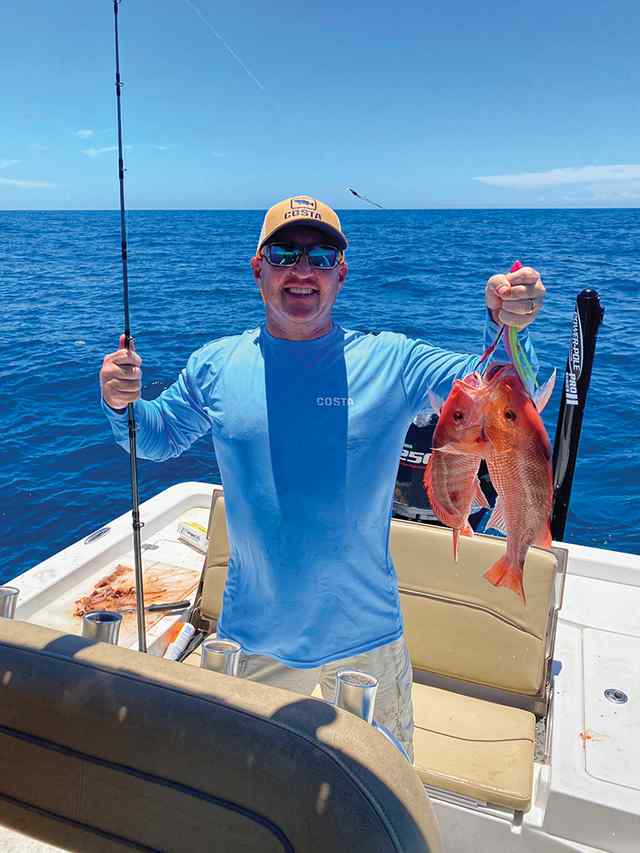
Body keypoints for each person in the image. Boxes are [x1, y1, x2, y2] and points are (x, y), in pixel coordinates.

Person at [100, 195, 545, 760]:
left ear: (342, 274)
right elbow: (156, 437)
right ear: (258, 269)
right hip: (253, 633)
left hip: (367, 636)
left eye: (322, 256)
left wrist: (507, 324)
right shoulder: (215, 364)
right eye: (284, 254)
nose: (302, 270)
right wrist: (121, 403)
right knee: (245, 785)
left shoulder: (392, 360)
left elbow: (499, 389)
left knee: (381, 788)